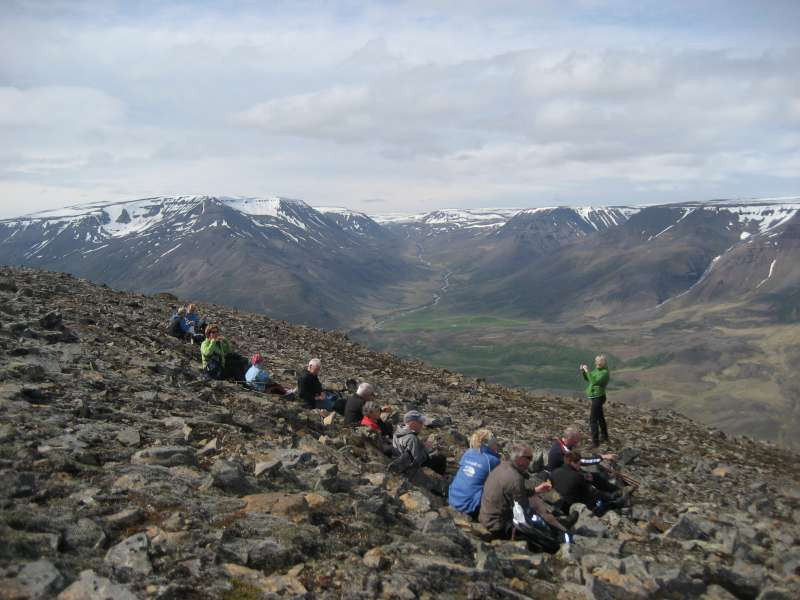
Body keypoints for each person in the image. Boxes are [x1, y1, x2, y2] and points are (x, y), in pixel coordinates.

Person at [479, 444, 569, 552]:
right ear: (521, 459)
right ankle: (558, 540)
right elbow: (523, 509)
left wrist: (535, 490)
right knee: (539, 527)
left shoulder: (503, 466)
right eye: (529, 458)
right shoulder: (516, 479)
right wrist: (541, 517)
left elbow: (514, 493)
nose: (531, 461)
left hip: (485, 516)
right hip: (498, 525)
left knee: (534, 501)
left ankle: (557, 523)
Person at [550, 451, 628, 517]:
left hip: (564, 502)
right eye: (579, 464)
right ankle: (615, 501)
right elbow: (588, 491)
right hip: (577, 504)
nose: (579, 466)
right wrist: (589, 481)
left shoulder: (554, 472)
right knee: (597, 495)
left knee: (595, 485)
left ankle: (613, 495)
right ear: (572, 463)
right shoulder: (576, 476)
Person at [448, 429, 501, 519]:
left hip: (452, 499)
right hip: (469, 506)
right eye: (495, 442)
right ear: (489, 443)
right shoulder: (492, 460)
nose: (497, 445)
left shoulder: (468, 453)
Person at [391, 410, 447, 475]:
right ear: (413, 423)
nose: (422, 424)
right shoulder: (411, 438)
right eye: (420, 422)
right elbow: (417, 461)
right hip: (410, 467)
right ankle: (439, 479)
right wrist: (426, 449)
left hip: (400, 458)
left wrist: (421, 445)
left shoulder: (398, 431)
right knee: (440, 458)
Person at [548, 426, 616, 472]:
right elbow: (582, 461)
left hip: (563, 469)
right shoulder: (562, 450)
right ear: (570, 439)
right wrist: (602, 457)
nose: (577, 443)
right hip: (557, 475)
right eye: (576, 440)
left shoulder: (561, 442)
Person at [581, 354, 610, 447]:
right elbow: (588, 379)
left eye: (599, 361)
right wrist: (583, 372)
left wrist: (587, 370)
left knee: (593, 419)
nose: (597, 362)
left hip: (599, 397)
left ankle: (595, 442)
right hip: (595, 397)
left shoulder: (604, 372)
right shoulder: (596, 370)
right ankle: (605, 436)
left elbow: (594, 381)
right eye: (596, 360)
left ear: (604, 362)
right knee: (600, 417)